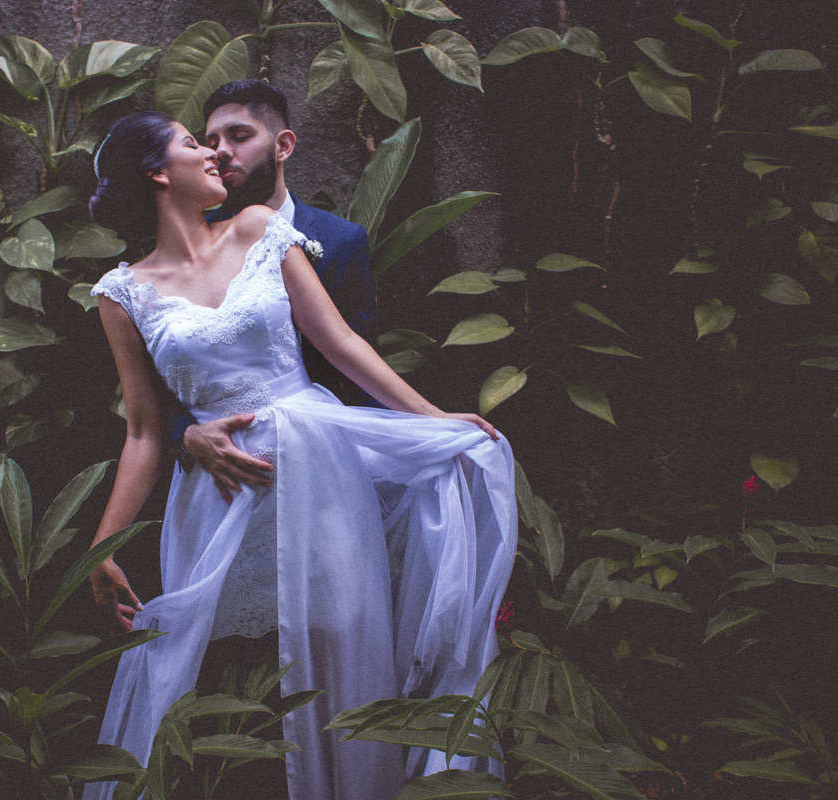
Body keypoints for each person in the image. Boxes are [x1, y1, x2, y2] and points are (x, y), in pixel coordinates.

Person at [81, 110, 517, 800]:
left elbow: (340, 343)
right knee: (225, 670)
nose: (214, 156)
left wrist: (433, 421)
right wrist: (100, 547)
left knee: (341, 641)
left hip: (318, 468)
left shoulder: (258, 231)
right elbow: (142, 429)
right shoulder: (123, 292)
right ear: (158, 173)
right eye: (195, 144)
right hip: (220, 500)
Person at [183, 80, 375, 503]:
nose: (220, 152)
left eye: (240, 136)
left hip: (321, 468)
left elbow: (353, 364)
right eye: (210, 140)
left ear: (283, 145)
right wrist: (188, 433)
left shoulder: (340, 241)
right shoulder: (190, 242)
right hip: (224, 479)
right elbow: (165, 361)